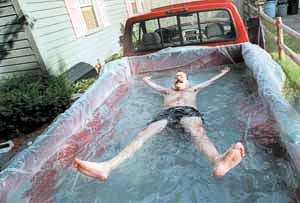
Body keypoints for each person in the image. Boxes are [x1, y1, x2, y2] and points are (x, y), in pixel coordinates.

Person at [74, 67, 245, 180]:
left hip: (188, 112)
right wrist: (146, 79)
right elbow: (152, 85)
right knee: (143, 135)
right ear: (172, 82)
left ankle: (217, 160)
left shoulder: (194, 89)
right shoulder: (166, 91)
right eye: (176, 77)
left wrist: (223, 72)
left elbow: (211, 81)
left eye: (182, 76)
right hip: (165, 114)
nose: (178, 77)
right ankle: (107, 166)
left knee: (197, 130)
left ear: (188, 82)